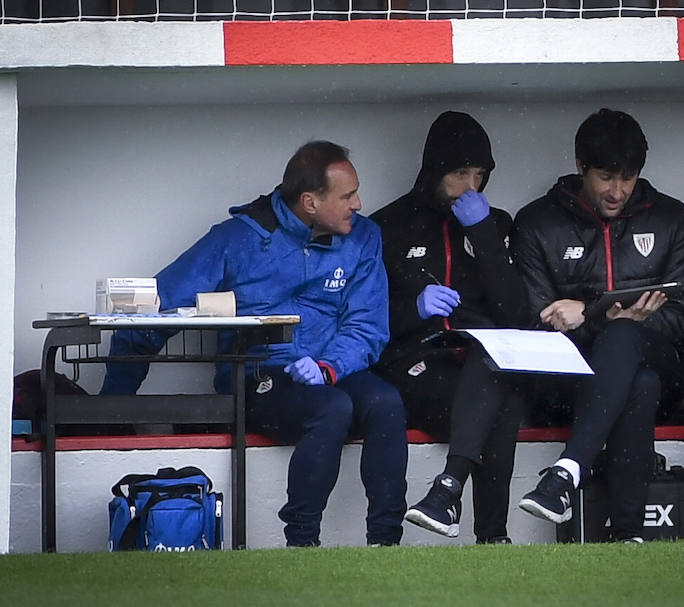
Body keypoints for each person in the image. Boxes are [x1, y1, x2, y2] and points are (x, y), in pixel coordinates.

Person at [101, 141, 408, 548]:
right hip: (260, 375)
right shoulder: (237, 238)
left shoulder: (364, 236)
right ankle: (302, 543)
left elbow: (367, 325)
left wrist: (329, 367)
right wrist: (112, 407)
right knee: (332, 408)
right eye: (347, 196)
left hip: (334, 369)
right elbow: (155, 311)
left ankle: (386, 544)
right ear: (310, 202)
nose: (359, 204)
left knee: (386, 402)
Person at [511, 108, 684, 543]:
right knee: (638, 383)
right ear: (581, 167)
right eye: (606, 177)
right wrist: (601, 322)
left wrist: (596, 317)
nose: (617, 191)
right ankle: (628, 535)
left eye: (628, 178)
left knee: (628, 340)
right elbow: (535, 325)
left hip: (662, 367)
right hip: (569, 384)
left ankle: (567, 471)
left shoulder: (669, 217)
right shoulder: (538, 222)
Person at [371, 111, 530, 543]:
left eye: (479, 175)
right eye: (460, 174)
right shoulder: (387, 226)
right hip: (415, 362)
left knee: (499, 386)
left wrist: (483, 234)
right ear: (435, 170)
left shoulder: (495, 224)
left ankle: (448, 492)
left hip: (481, 362)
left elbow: (516, 316)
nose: (471, 187)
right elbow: (364, 321)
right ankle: (491, 535)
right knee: (500, 406)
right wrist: (414, 309)